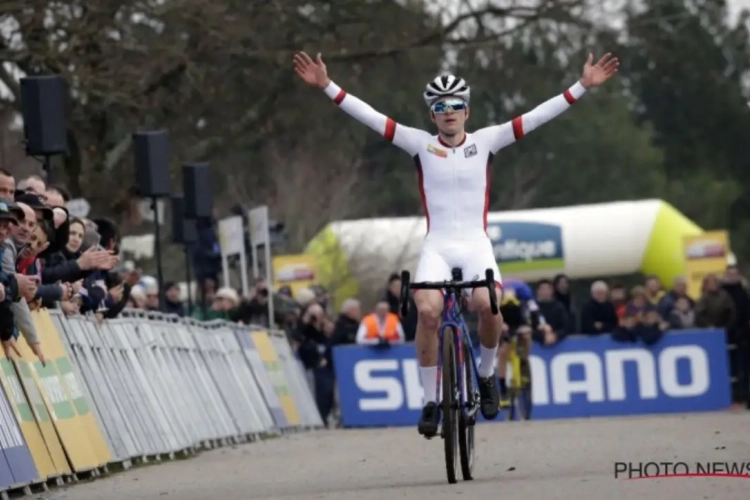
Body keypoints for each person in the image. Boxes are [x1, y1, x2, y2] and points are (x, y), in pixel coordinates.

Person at [293, 49, 619, 437]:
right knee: (427, 313)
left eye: (456, 105)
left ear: (467, 110)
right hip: (438, 247)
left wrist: (582, 86)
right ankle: (431, 401)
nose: (449, 111)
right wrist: (327, 85)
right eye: (440, 106)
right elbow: (371, 117)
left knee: (487, 306)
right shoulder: (418, 144)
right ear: (432, 115)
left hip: (476, 245)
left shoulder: (487, 141)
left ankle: (485, 376)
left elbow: (536, 117)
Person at [496, 279, 551, 408]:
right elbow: (492, 316)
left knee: (526, 335)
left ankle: (524, 361)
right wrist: (500, 326)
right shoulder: (496, 297)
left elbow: (536, 313)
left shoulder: (525, 296)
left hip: (520, 319)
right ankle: (503, 391)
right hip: (503, 320)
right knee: (503, 350)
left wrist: (542, 325)